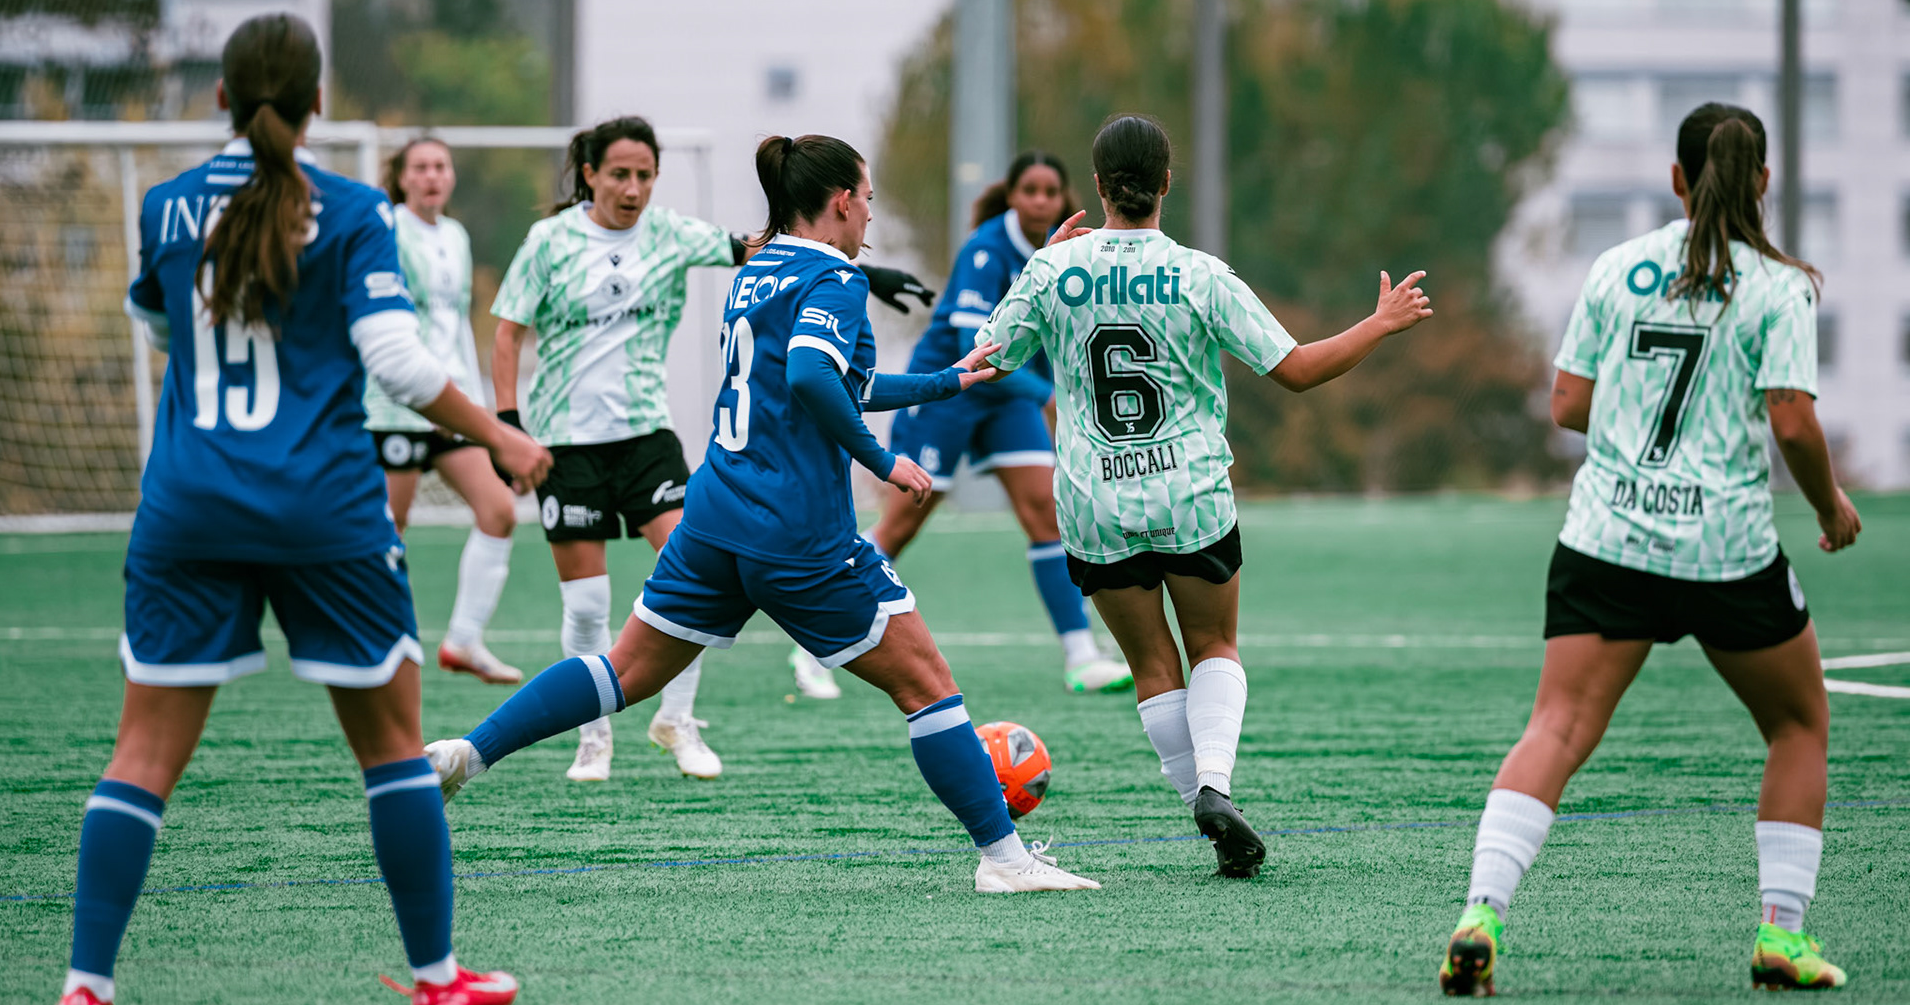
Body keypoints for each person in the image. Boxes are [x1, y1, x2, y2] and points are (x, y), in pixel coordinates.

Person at [51, 14, 553, 1005]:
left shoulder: (165, 205)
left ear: (223, 98)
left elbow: (161, 326)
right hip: (324, 510)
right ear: (319, 102)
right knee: (393, 753)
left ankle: (85, 990)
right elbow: (398, 363)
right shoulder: (356, 210)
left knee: (140, 757)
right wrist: (500, 433)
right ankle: (435, 982)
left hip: (188, 505)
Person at [425, 133, 1100, 895]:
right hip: (796, 532)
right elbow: (811, 375)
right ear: (841, 201)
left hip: (716, 515)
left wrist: (946, 380)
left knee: (625, 670)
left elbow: (839, 380)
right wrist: (880, 460)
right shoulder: (836, 278)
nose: (870, 213)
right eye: (868, 198)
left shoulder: (761, 269)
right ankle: (1005, 860)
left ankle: (465, 755)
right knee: (928, 684)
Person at [1437, 103, 1860, 997]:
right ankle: (1781, 937)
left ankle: (1479, 916)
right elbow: (1792, 421)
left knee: (1556, 729)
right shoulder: (1780, 287)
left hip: (1608, 541)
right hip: (1724, 551)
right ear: (1764, 182)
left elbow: (1568, 404)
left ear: (1676, 179)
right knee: (1798, 725)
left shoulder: (1617, 268)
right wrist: (1831, 506)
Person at [975, 114, 1432, 879]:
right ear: (1166, 182)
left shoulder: (1054, 270)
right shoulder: (1199, 273)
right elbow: (1296, 370)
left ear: (1098, 185)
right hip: (1188, 493)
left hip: (1094, 501)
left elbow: (988, 358)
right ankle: (1215, 787)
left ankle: (1204, 805)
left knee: (1153, 666)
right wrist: (1379, 324)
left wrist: (1045, 264)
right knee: (1214, 646)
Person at [489, 118, 933, 782]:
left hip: (649, 436)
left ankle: (675, 720)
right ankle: (593, 741)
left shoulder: (673, 234)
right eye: (619, 174)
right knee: (586, 606)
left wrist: (865, 270)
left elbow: (770, 250)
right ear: (588, 174)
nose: (633, 188)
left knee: (683, 577)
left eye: (645, 175)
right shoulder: (549, 241)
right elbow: (508, 332)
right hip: (567, 437)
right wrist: (506, 424)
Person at [790, 152, 1133, 699]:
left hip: (1005, 399)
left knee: (1047, 515)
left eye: (1050, 192)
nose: (1041, 201)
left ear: (1064, 198)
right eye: (1030, 190)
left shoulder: (1065, 253)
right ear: (1012, 196)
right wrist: (1047, 395)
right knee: (901, 525)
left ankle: (1081, 655)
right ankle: (812, 644)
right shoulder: (985, 249)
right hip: (950, 392)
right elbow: (978, 346)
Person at [363, 135, 523, 685]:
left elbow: (454, 325)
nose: (432, 176)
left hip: (453, 405)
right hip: (398, 405)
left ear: (451, 177)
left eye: (440, 166)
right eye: (421, 167)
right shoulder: (386, 229)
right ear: (402, 178)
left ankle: (463, 641)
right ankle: (373, 641)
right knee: (389, 529)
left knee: (499, 510)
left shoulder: (455, 235)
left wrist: (475, 400)